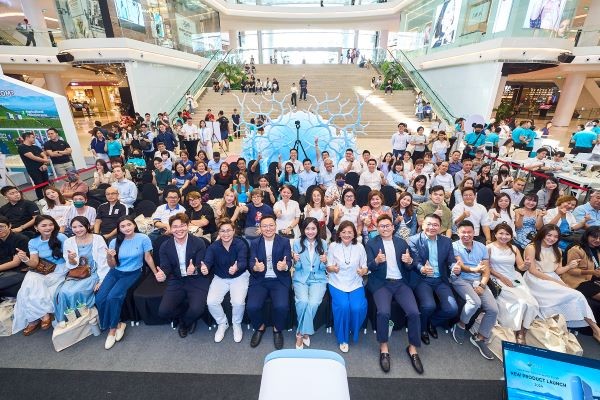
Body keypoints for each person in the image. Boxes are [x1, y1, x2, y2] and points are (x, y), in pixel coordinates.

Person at [523, 225, 600, 342]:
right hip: (535, 279)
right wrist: (556, 282)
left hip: (552, 277)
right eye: (549, 235)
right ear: (542, 234)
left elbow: (558, 271)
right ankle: (594, 329)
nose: (552, 238)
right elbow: (532, 271)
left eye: (555, 236)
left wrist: (569, 266)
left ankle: (595, 329)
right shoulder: (531, 247)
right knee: (573, 295)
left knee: (577, 295)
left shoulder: (557, 250)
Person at [366, 215, 422, 374]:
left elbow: (410, 265)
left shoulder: (401, 242)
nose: (385, 228)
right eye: (382, 226)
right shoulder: (371, 243)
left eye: (387, 225)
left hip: (401, 283)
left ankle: (412, 348)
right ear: (377, 228)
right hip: (381, 283)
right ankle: (384, 347)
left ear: (392, 227)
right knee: (383, 312)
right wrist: (376, 261)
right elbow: (368, 266)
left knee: (414, 313)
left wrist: (409, 261)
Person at [98, 215, 161, 350]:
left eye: (129, 225)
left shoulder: (143, 238)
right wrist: (109, 256)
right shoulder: (114, 242)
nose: (126, 228)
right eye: (122, 226)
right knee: (100, 298)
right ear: (119, 228)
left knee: (113, 296)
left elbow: (148, 258)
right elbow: (112, 265)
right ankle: (119, 324)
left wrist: (156, 273)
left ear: (134, 225)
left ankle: (112, 330)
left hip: (133, 272)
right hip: (115, 272)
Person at [451, 220, 499, 360]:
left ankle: (480, 337)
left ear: (474, 232)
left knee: (493, 309)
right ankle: (460, 325)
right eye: (463, 232)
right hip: (460, 279)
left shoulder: (481, 247)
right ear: (458, 233)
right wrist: (475, 269)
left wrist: (482, 285)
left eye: (469, 232)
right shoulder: (454, 246)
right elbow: (462, 266)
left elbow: (486, 269)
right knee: (475, 302)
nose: (466, 235)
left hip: (478, 280)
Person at [409, 213, 459, 345]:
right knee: (428, 305)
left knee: (452, 309)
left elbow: (451, 261)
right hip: (422, 279)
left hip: (440, 280)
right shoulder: (413, 240)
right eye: (429, 224)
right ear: (422, 225)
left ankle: (432, 322)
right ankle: (423, 329)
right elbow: (414, 260)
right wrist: (422, 268)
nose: (432, 227)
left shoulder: (446, 241)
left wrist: (454, 267)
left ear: (440, 227)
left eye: (435, 225)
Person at [13, 216, 68, 335]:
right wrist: (25, 259)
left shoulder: (61, 237)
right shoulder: (33, 242)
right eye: (44, 225)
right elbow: (34, 263)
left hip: (59, 269)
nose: (48, 228)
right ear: (36, 227)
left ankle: (33, 320)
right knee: (27, 286)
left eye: (50, 224)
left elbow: (69, 256)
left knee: (30, 287)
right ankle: (44, 315)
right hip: (42, 269)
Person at [157, 213, 208, 338]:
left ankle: (185, 323)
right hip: (176, 279)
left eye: (182, 225)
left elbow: (202, 265)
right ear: (170, 228)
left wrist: (195, 269)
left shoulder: (198, 242)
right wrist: (163, 274)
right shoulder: (165, 246)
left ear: (188, 226)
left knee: (197, 309)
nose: (179, 229)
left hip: (196, 279)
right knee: (163, 312)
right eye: (175, 226)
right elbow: (166, 267)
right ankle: (183, 316)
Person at [487, 223, 540, 344]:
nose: (504, 236)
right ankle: (518, 330)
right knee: (520, 302)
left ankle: (523, 329)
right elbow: (487, 267)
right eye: (501, 233)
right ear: (495, 234)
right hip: (497, 278)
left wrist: (526, 265)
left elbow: (520, 266)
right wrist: (502, 278)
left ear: (511, 236)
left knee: (532, 302)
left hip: (514, 277)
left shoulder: (514, 248)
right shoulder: (489, 247)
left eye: (507, 234)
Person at [248, 215, 292, 349]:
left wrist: (285, 266)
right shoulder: (255, 243)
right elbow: (251, 262)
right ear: (260, 228)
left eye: (271, 225)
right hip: (260, 280)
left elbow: (288, 261)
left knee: (282, 307)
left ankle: (277, 329)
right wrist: (255, 268)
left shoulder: (284, 241)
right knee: (252, 307)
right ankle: (259, 327)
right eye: (265, 226)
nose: (268, 228)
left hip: (279, 280)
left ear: (275, 226)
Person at [57, 217, 109, 324]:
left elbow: (103, 262)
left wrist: (102, 280)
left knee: (74, 292)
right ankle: (69, 320)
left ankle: (81, 319)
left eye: (80, 226)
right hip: (76, 273)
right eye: (74, 227)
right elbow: (71, 265)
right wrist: (71, 259)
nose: (77, 229)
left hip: (93, 272)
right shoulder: (68, 241)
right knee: (63, 291)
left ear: (87, 226)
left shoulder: (97, 239)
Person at [326, 221, 368, 353]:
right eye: (343, 232)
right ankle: (342, 338)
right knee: (343, 306)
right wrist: (332, 268)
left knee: (358, 307)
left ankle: (351, 328)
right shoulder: (333, 246)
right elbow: (328, 267)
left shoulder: (360, 247)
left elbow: (365, 267)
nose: (346, 235)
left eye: (350, 232)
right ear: (339, 234)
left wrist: (363, 271)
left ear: (354, 234)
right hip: (337, 282)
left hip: (355, 283)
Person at [291, 217, 328, 349]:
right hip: (301, 277)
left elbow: (323, 268)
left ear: (318, 230)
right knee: (302, 301)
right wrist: (295, 260)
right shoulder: (297, 243)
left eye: (313, 228)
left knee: (313, 303)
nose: (310, 231)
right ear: (303, 229)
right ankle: (305, 332)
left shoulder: (323, 243)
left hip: (318, 278)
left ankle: (300, 333)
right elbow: (297, 267)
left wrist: (325, 261)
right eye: (307, 228)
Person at [564, 226, 600, 304]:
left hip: (593, 278)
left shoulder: (598, 249)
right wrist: (593, 272)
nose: (598, 240)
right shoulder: (576, 249)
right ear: (587, 236)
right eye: (594, 237)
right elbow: (571, 270)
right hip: (578, 281)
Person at [0, 216, 30, 296]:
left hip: (19, 271)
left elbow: (15, 263)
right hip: (4, 271)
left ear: (9, 226)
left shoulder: (21, 239)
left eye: (1, 227)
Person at [18, 132, 50, 200]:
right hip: (33, 169)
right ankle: (40, 199)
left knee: (46, 183)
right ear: (27, 138)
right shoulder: (22, 147)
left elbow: (44, 155)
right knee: (38, 184)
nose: (34, 139)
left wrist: (44, 164)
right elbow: (33, 157)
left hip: (43, 167)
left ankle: (49, 197)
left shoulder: (36, 147)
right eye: (32, 137)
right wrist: (46, 161)